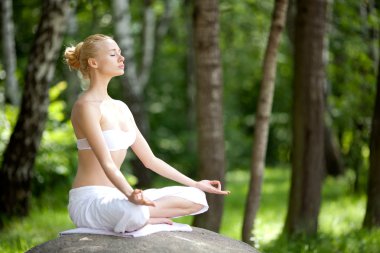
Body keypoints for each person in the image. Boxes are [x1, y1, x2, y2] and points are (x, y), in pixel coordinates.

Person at [63, 34, 229, 233]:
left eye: (121, 54)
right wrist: (131, 194)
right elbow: (106, 163)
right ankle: (140, 216)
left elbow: (150, 160)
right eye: (113, 54)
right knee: (136, 211)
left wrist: (195, 183)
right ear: (93, 62)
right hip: (91, 201)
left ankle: (140, 214)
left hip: (119, 198)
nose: (121, 58)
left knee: (196, 198)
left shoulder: (121, 108)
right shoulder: (86, 106)